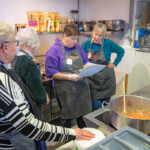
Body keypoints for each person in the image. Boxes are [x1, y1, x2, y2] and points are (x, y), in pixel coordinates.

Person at [0, 21, 95, 150]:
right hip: (15, 141)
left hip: (80, 90)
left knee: (81, 117)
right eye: (15, 43)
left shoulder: (7, 68)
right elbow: (30, 126)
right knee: (67, 119)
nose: (17, 47)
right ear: (5, 47)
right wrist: (72, 134)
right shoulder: (5, 80)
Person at [45, 24, 92, 128]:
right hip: (66, 91)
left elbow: (85, 61)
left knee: (83, 116)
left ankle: (84, 138)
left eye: (76, 39)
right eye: (72, 38)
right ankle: (67, 140)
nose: (75, 41)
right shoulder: (54, 50)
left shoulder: (77, 47)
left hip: (81, 88)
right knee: (68, 118)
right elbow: (51, 72)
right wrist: (70, 77)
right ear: (64, 35)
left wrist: (85, 68)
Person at [11, 27, 50, 150]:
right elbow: (36, 90)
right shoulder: (28, 62)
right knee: (38, 136)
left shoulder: (16, 58)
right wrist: (44, 98)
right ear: (33, 43)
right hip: (31, 108)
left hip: (20, 108)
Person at [82, 23, 125, 110]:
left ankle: (105, 122)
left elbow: (121, 51)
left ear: (104, 35)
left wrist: (115, 63)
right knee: (97, 108)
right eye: (95, 34)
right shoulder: (86, 44)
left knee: (106, 107)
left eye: (100, 35)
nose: (97, 37)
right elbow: (80, 57)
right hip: (92, 81)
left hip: (107, 81)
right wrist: (82, 66)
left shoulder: (108, 43)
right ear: (92, 33)